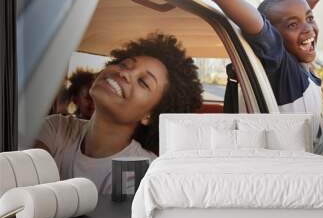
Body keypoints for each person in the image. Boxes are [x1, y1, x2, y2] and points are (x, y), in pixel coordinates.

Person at [34, 33, 203, 194]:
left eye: (143, 82)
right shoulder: (56, 127)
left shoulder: (139, 170)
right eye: (124, 64)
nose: (125, 73)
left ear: (149, 116)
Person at [182, 0, 323, 138]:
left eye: (310, 18)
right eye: (292, 24)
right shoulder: (282, 68)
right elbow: (260, 28)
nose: (309, 29)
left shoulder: (298, 64)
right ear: (273, 35)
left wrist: (303, 7)